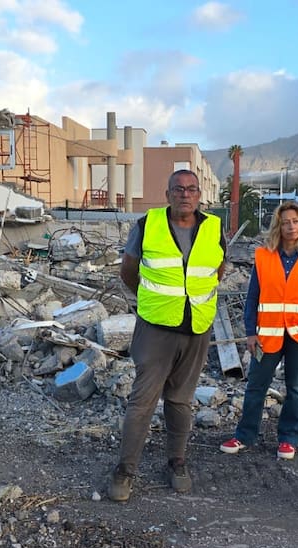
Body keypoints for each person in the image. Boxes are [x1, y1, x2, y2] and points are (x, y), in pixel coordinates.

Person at [108, 169, 227, 502]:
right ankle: (126, 469)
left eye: (191, 189)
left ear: (199, 194)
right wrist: (150, 301)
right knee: (142, 401)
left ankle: (177, 461)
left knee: (180, 401)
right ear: (168, 193)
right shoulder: (148, 224)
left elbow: (217, 270)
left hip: (196, 328)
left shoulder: (213, 228)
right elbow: (128, 271)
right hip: (156, 327)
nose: (185, 194)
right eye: (179, 189)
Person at [220, 202, 298, 460]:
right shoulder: (264, 257)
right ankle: (245, 435)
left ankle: (289, 439)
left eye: (295, 221)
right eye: (285, 222)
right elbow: (253, 298)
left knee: (296, 388)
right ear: (277, 226)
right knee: (256, 385)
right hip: (267, 334)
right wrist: (250, 332)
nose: (291, 226)